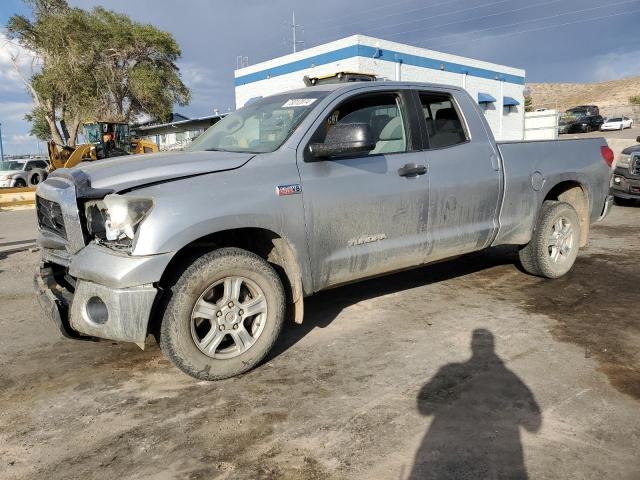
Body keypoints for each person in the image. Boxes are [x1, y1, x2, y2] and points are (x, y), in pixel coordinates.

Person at [409, 329, 541, 480]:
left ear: (472, 345)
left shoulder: (450, 370)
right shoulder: (510, 379)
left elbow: (424, 408)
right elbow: (534, 425)